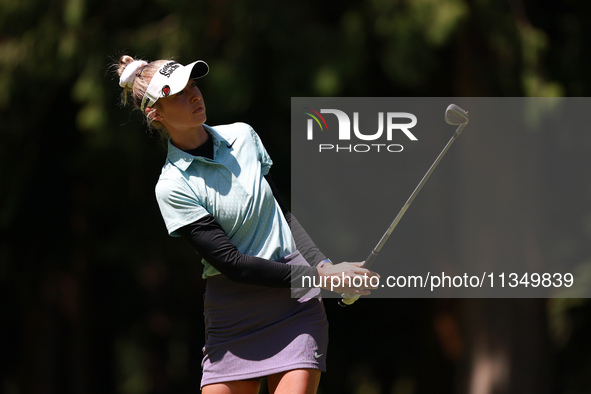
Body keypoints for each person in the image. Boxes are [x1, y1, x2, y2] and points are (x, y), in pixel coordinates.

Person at [115, 55, 379, 394]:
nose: (194, 95)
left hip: (294, 306)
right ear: (156, 114)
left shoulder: (243, 136)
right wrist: (323, 277)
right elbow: (233, 265)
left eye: (193, 85)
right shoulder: (172, 186)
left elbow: (280, 212)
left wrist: (323, 265)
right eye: (179, 93)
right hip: (232, 316)